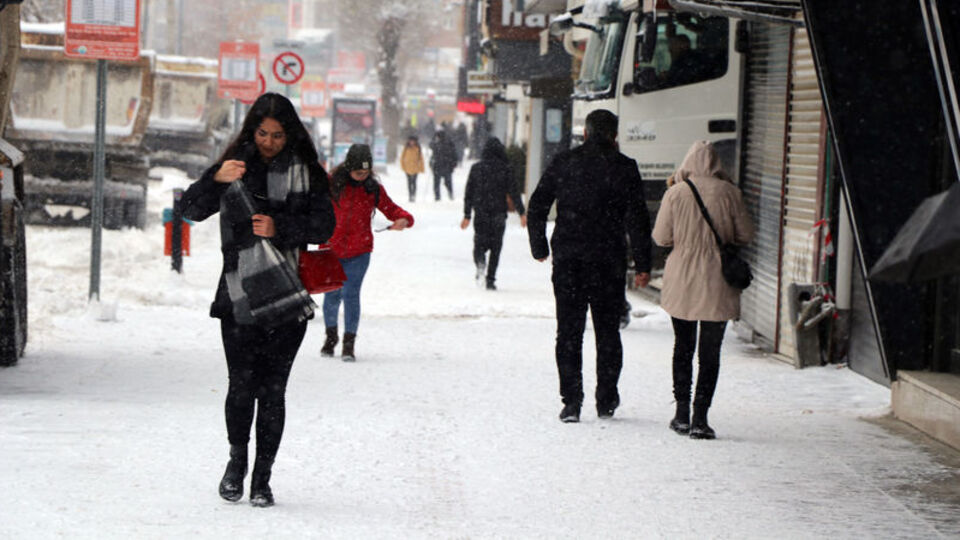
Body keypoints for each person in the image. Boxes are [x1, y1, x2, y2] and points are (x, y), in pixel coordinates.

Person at [179, 92, 335, 507]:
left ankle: (263, 478)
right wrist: (215, 180)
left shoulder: (308, 172)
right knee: (241, 386)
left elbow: (325, 225)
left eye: (278, 135)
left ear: (291, 134)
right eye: (263, 133)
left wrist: (279, 226)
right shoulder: (236, 167)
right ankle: (236, 463)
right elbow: (190, 211)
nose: (269, 142)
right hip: (239, 296)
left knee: (274, 391)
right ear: (252, 130)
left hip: (286, 297)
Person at [527, 109, 652, 423]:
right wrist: (643, 263)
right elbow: (638, 218)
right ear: (615, 136)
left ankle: (571, 401)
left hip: (569, 259)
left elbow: (538, 205)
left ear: (585, 133)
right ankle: (606, 398)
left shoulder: (565, 162)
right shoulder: (625, 168)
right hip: (608, 262)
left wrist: (539, 247)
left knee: (568, 332)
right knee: (608, 332)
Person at [652, 140, 754, 440]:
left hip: (682, 277)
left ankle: (681, 413)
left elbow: (660, 237)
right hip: (717, 278)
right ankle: (701, 418)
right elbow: (746, 234)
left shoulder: (676, 193)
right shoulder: (730, 193)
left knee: (682, 347)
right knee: (710, 353)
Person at [320, 144, 414, 361]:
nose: (362, 177)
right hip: (332, 249)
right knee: (332, 295)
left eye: (366, 172)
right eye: (358, 172)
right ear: (349, 168)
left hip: (359, 252)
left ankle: (349, 344)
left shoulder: (373, 189)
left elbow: (392, 209)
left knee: (351, 295)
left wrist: (404, 219)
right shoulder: (332, 184)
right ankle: (331, 336)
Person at [460, 137, 527, 290]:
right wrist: (522, 213)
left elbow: (468, 193)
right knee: (496, 248)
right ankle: (490, 279)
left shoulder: (476, 168)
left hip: (481, 213)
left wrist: (467, 215)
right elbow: (514, 193)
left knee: (479, 244)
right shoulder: (506, 169)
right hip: (498, 213)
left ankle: (480, 263)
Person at [429, 130, 458, 200]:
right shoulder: (449, 143)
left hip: (439, 166)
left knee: (437, 183)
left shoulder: (437, 144)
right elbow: (454, 155)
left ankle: (437, 196)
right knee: (447, 182)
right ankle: (450, 194)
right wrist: (453, 164)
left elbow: (431, 146)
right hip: (446, 166)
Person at [400, 136, 425, 202]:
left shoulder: (418, 148)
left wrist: (422, 168)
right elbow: (402, 157)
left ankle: (413, 195)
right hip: (407, 167)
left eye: (413, 141)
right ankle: (410, 195)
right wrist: (403, 166)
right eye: (410, 141)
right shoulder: (406, 148)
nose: (412, 142)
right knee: (409, 182)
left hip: (415, 168)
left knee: (414, 182)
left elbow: (421, 159)